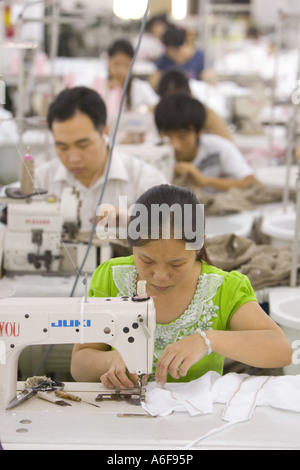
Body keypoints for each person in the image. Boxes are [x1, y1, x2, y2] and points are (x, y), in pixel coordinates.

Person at [70, 184, 292, 387]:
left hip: (197, 422)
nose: (159, 276)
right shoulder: (110, 276)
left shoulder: (225, 289)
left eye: (176, 263)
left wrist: (208, 340)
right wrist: (110, 360)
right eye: (146, 260)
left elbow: (281, 351)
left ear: (199, 245)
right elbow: (78, 366)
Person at [35, 86, 167, 232]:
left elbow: (177, 234)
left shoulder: (145, 182)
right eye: (62, 147)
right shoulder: (41, 181)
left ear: (105, 132)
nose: (73, 158)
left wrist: (131, 221)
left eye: (83, 145)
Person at [154, 93, 258, 192]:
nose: (175, 145)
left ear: (199, 132)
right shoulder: (151, 153)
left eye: (183, 136)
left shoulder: (219, 148)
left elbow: (252, 182)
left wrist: (205, 181)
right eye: (167, 136)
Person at [156, 68, 233, 141]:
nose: (175, 107)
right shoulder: (154, 113)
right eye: (168, 103)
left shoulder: (205, 114)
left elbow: (229, 146)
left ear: (190, 94)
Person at [92, 39, 159, 118]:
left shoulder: (141, 87)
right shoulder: (99, 87)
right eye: (116, 64)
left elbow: (158, 106)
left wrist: (141, 111)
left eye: (126, 65)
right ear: (108, 62)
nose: (121, 70)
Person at [149, 25, 214, 91]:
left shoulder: (200, 57)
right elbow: (153, 83)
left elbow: (210, 84)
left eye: (177, 50)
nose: (174, 55)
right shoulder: (165, 59)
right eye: (170, 52)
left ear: (186, 43)